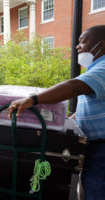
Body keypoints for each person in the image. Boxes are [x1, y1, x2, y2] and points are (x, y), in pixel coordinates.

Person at [7, 25, 105, 200]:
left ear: (102, 45)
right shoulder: (95, 70)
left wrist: (33, 99)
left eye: (83, 41)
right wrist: (69, 119)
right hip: (94, 148)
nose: (77, 47)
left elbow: (74, 86)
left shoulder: (104, 67)